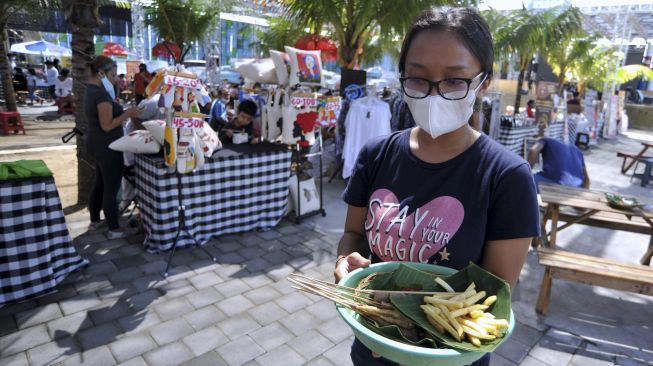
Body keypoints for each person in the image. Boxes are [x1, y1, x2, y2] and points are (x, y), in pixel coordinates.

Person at [333, 8, 540, 366]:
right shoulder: (376, 155)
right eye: (417, 78)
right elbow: (353, 234)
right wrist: (345, 262)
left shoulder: (507, 177)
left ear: (483, 82)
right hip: (371, 348)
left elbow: (492, 297)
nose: (434, 94)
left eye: (454, 80)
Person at [84, 55, 140, 239]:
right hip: (106, 145)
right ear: (101, 73)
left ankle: (95, 221)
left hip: (96, 143)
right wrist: (128, 113)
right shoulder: (100, 94)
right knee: (111, 186)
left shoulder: (92, 89)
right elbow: (107, 125)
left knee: (100, 183)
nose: (117, 79)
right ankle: (114, 229)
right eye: (114, 75)